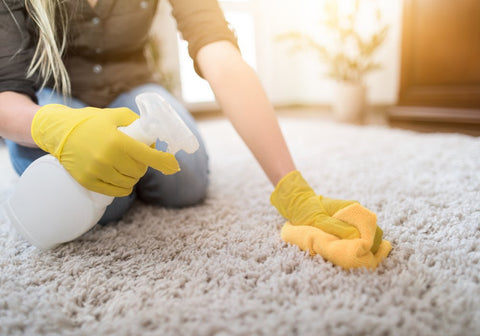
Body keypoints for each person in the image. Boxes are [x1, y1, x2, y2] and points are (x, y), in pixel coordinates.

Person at [0, 0, 389, 269]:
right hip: (53, 92)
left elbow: (220, 55)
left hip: (131, 84)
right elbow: (6, 89)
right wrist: (57, 129)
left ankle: (121, 173)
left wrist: (292, 187)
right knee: (108, 201)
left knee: (184, 182)